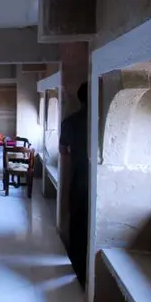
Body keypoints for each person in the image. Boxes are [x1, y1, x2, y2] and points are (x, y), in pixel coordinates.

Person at [59, 82, 89, 290]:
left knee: (77, 220)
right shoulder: (99, 121)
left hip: (78, 176)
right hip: (96, 182)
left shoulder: (69, 122)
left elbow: (63, 151)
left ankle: (77, 265)